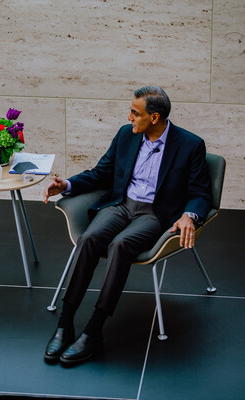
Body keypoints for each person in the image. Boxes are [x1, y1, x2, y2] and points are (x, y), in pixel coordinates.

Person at [42, 86, 212, 365]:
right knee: (88, 238)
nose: (129, 117)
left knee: (120, 245)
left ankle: (94, 330)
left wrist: (189, 215)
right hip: (121, 204)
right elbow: (102, 172)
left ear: (154, 117)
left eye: (135, 112)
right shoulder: (126, 134)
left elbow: (201, 194)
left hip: (155, 214)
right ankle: (65, 322)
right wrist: (68, 184)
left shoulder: (190, 145)